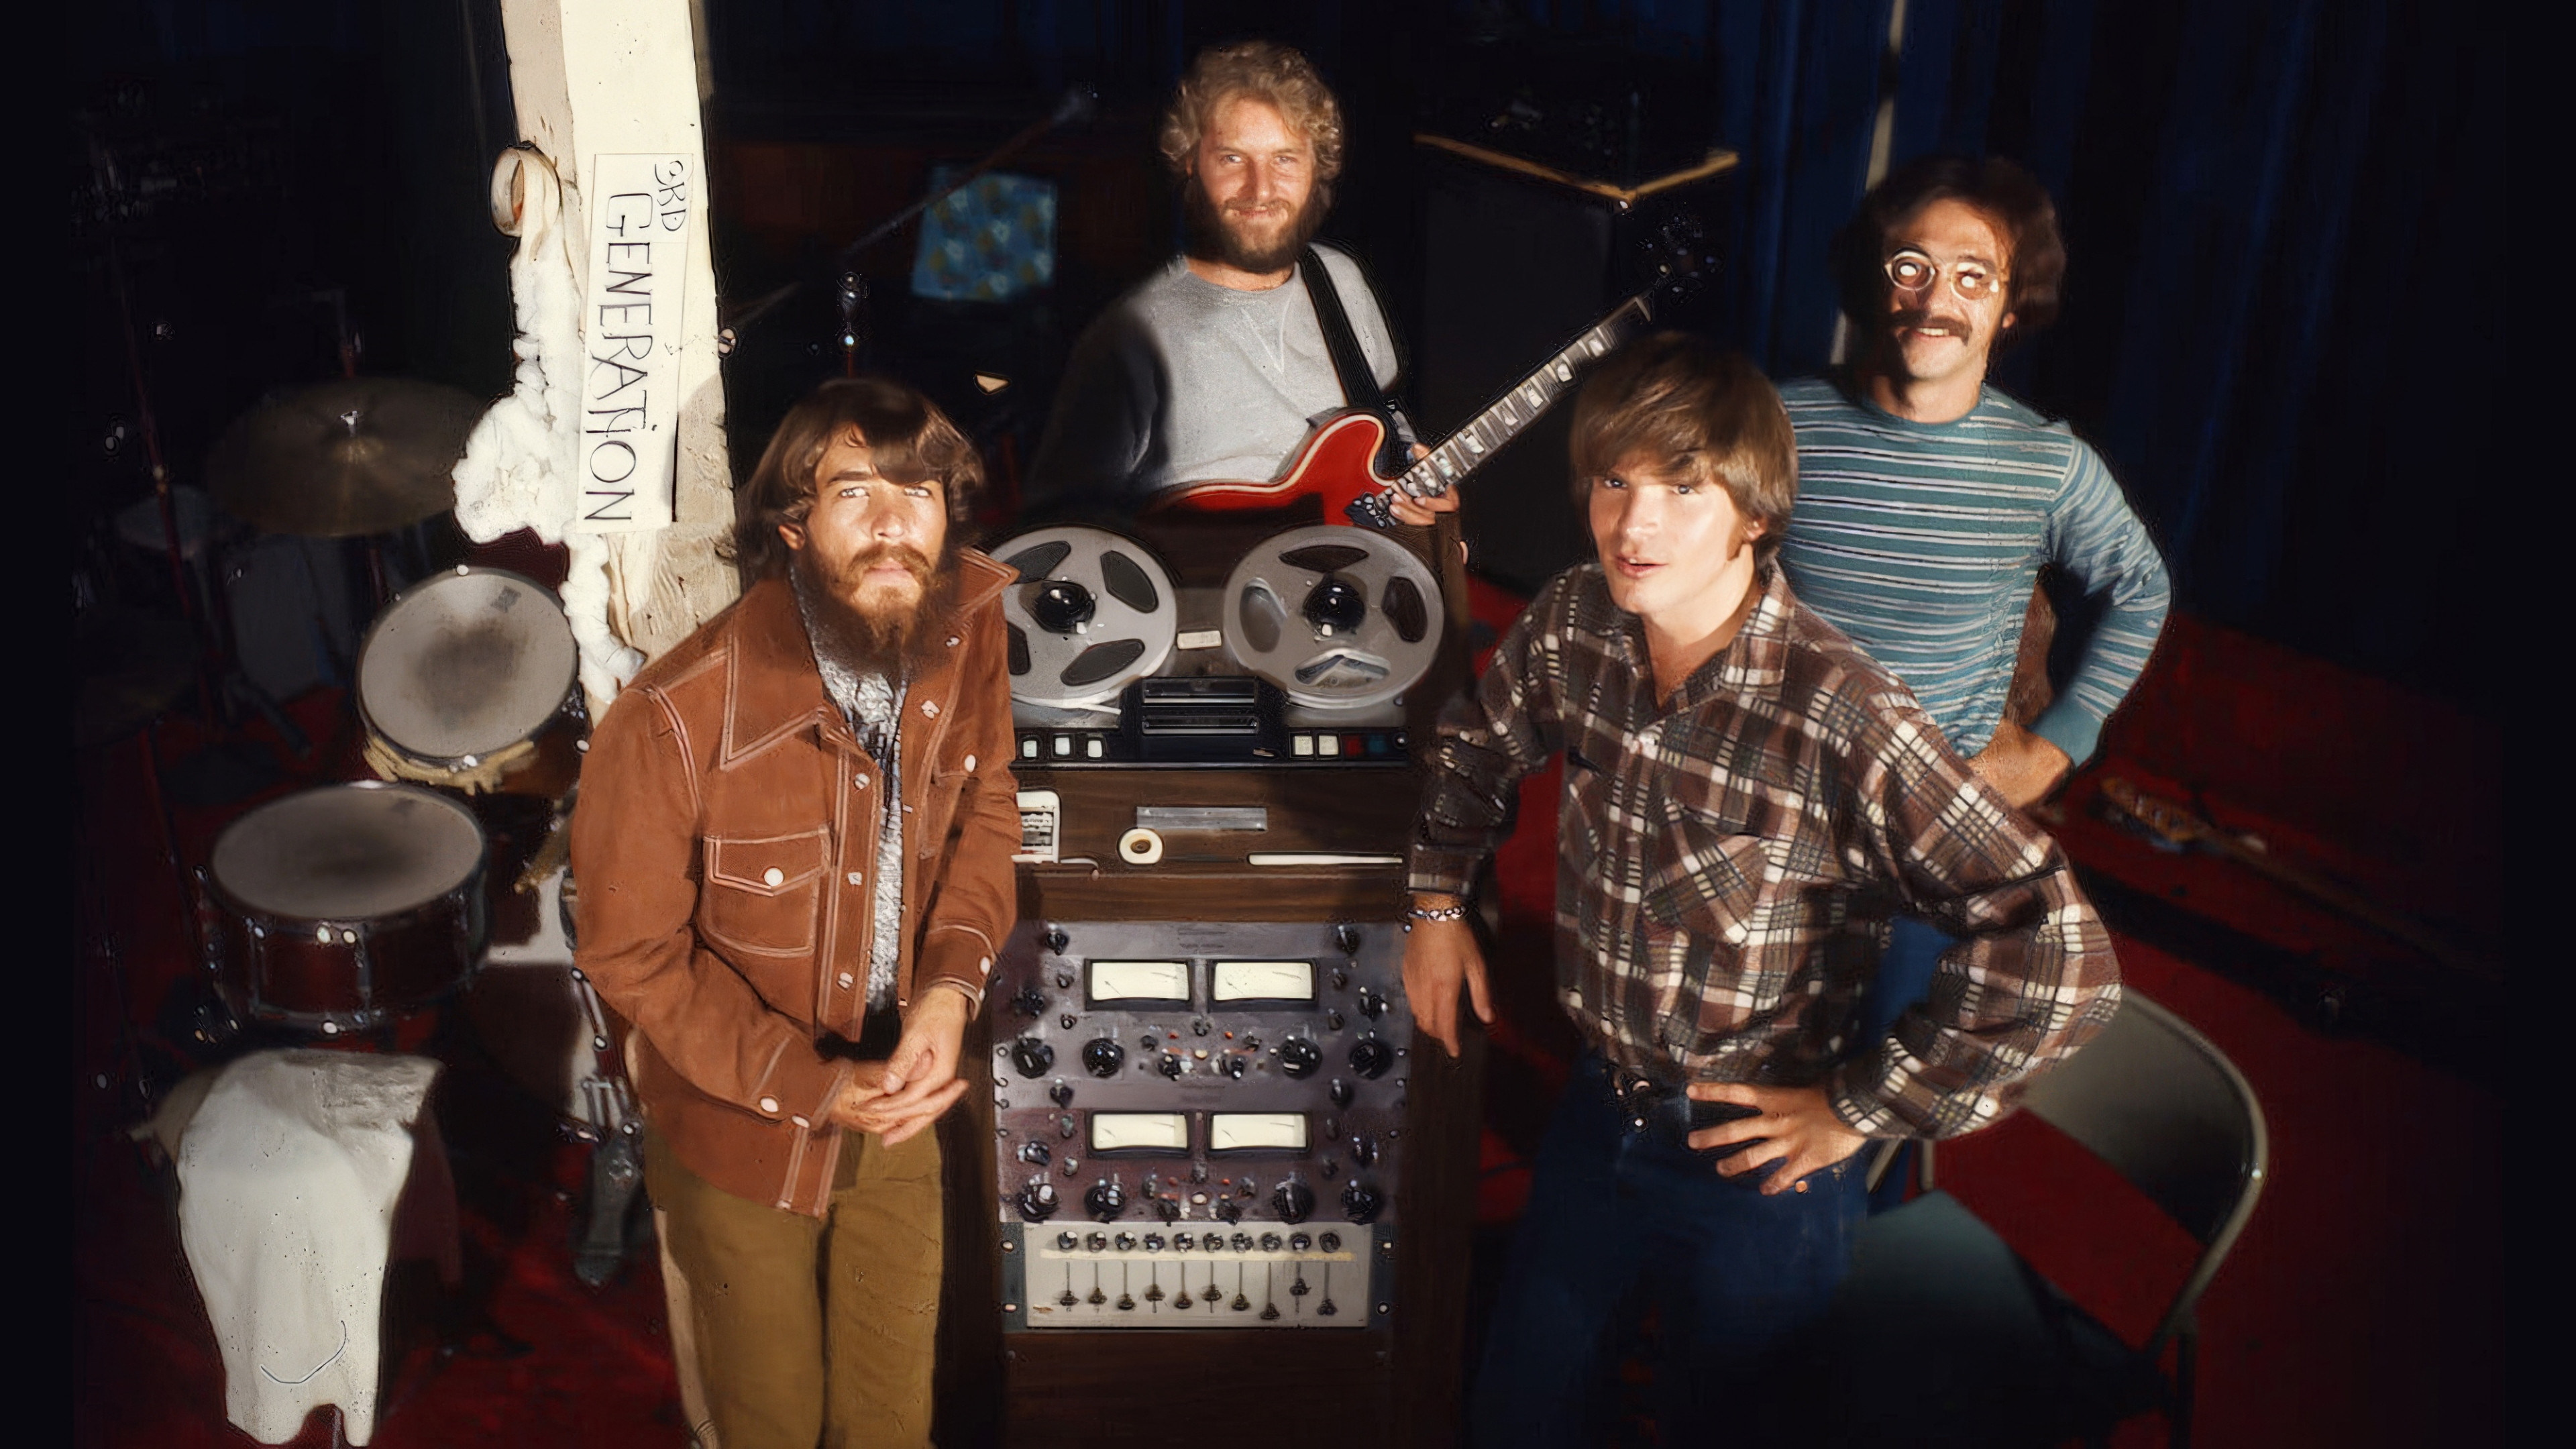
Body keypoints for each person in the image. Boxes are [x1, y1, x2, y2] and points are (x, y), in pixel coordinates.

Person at [1401, 333, 2120, 1446]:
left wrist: (1859, 1110)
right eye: (1613, 483)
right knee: (1513, 1416)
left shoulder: (1845, 714)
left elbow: (2060, 953)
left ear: (1756, 516)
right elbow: (1472, 749)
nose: (1634, 527)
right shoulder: (1574, 622)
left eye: (1682, 492)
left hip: (1760, 1161)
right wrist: (1438, 905)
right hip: (1603, 1107)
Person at [570, 377, 1020, 1449]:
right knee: (770, 1422)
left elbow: (988, 810)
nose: (891, 524)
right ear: (792, 525)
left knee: (890, 1420)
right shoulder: (672, 718)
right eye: (853, 492)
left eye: (917, 493)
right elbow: (629, 956)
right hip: (740, 1126)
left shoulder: (970, 626)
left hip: (901, 1092)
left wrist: (951, 990)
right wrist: (814, 1087)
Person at [1777, 154, 2169, 1040]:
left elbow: (2140, 588)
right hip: (1779, 812)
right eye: (1910, 267)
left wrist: (2062, 743)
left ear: (2011, 302)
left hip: (1935, 831)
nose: (1934, 298)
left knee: (1887, 1061)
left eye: (1972, 275)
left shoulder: (2046, 464)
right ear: (1875, 283)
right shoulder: (1778, 423)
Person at [1024, 40, 1446, 525]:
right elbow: (1056, 534)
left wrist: (1419, 488)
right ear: (1190, 163)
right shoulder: (1130, 336)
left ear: (1317, 168)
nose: (1260, 189)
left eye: (1285, 159)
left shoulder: (1341, 279)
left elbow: (1387, 422)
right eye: (1231, 159)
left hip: (1348, 578)